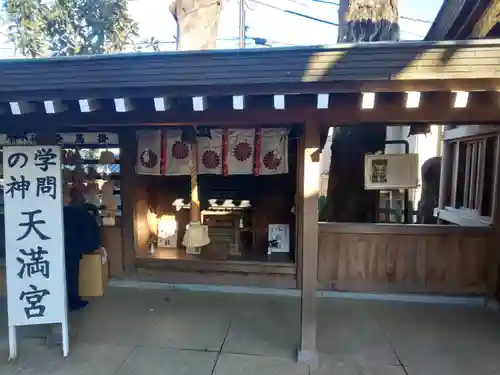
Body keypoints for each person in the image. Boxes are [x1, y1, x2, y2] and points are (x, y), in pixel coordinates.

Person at [63, 193, 101, 311]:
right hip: (73, 247)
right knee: (71, 275)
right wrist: (92, 247)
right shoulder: (83, 214)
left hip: (60, 246)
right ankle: (73, 301)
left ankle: (63, 300)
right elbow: (91, 233)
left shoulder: (59, 212)